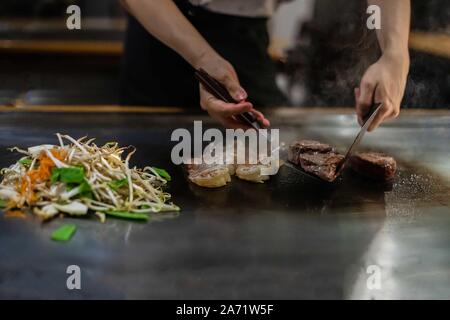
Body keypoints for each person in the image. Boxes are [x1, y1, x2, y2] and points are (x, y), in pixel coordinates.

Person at [120, 0, 410, 132]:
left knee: (264, 158)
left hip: (248, 34)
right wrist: (203, 59)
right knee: (155, 163)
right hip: (164, 32)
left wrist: (395, 55)